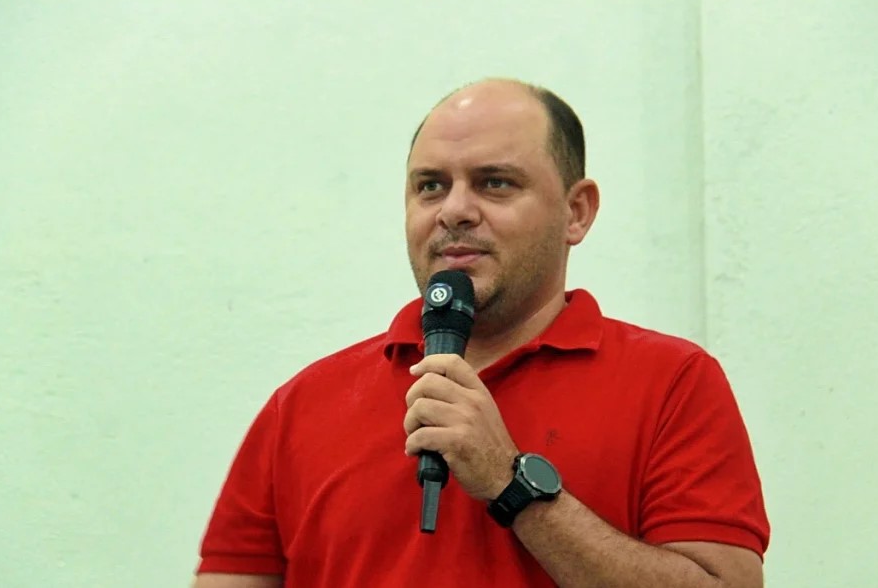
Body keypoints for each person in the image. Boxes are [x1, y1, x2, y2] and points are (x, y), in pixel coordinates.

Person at [193, 78, 770, 588]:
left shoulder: (673, 383)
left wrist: (509, 482)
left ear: (576, 212)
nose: (454, 211)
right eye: (430, 186)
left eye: (494, 183)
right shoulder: (303, 405)